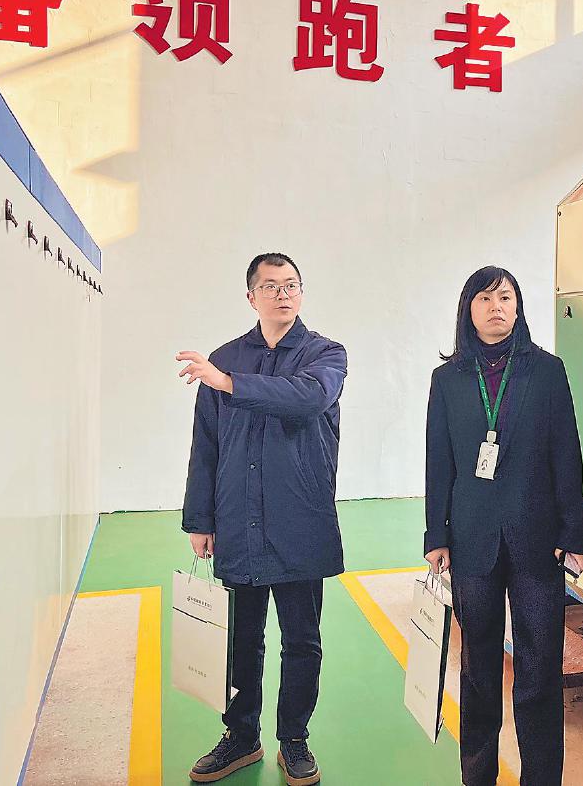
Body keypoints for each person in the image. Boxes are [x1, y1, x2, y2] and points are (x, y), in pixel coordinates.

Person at [177, 252, 347, 786]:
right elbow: (206, 445)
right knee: (240, 639)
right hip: (238, 520)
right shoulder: (226, 358)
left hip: (300, 519)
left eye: (291, 285)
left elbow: (309, 398)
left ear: (302, 293)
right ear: (251, 297)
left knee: (302, 640)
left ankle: (293, 739)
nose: (282, 294)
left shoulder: (325, 354)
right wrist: (200, 519)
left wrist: (230, 384)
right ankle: (241, 735)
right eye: (270, 286)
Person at [424, 266, 583, 786]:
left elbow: (567, 453)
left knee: (540, 672)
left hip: (537, 542)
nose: (496, 307)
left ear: (518, 308)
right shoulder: (448, 379)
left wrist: (575, 533)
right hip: (471, 541)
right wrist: (436, 535)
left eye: (506, 297)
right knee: (478, 672)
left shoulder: (547, 371)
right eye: (485, 298)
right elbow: (438, 461)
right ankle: (478, 776)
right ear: (468, 309)